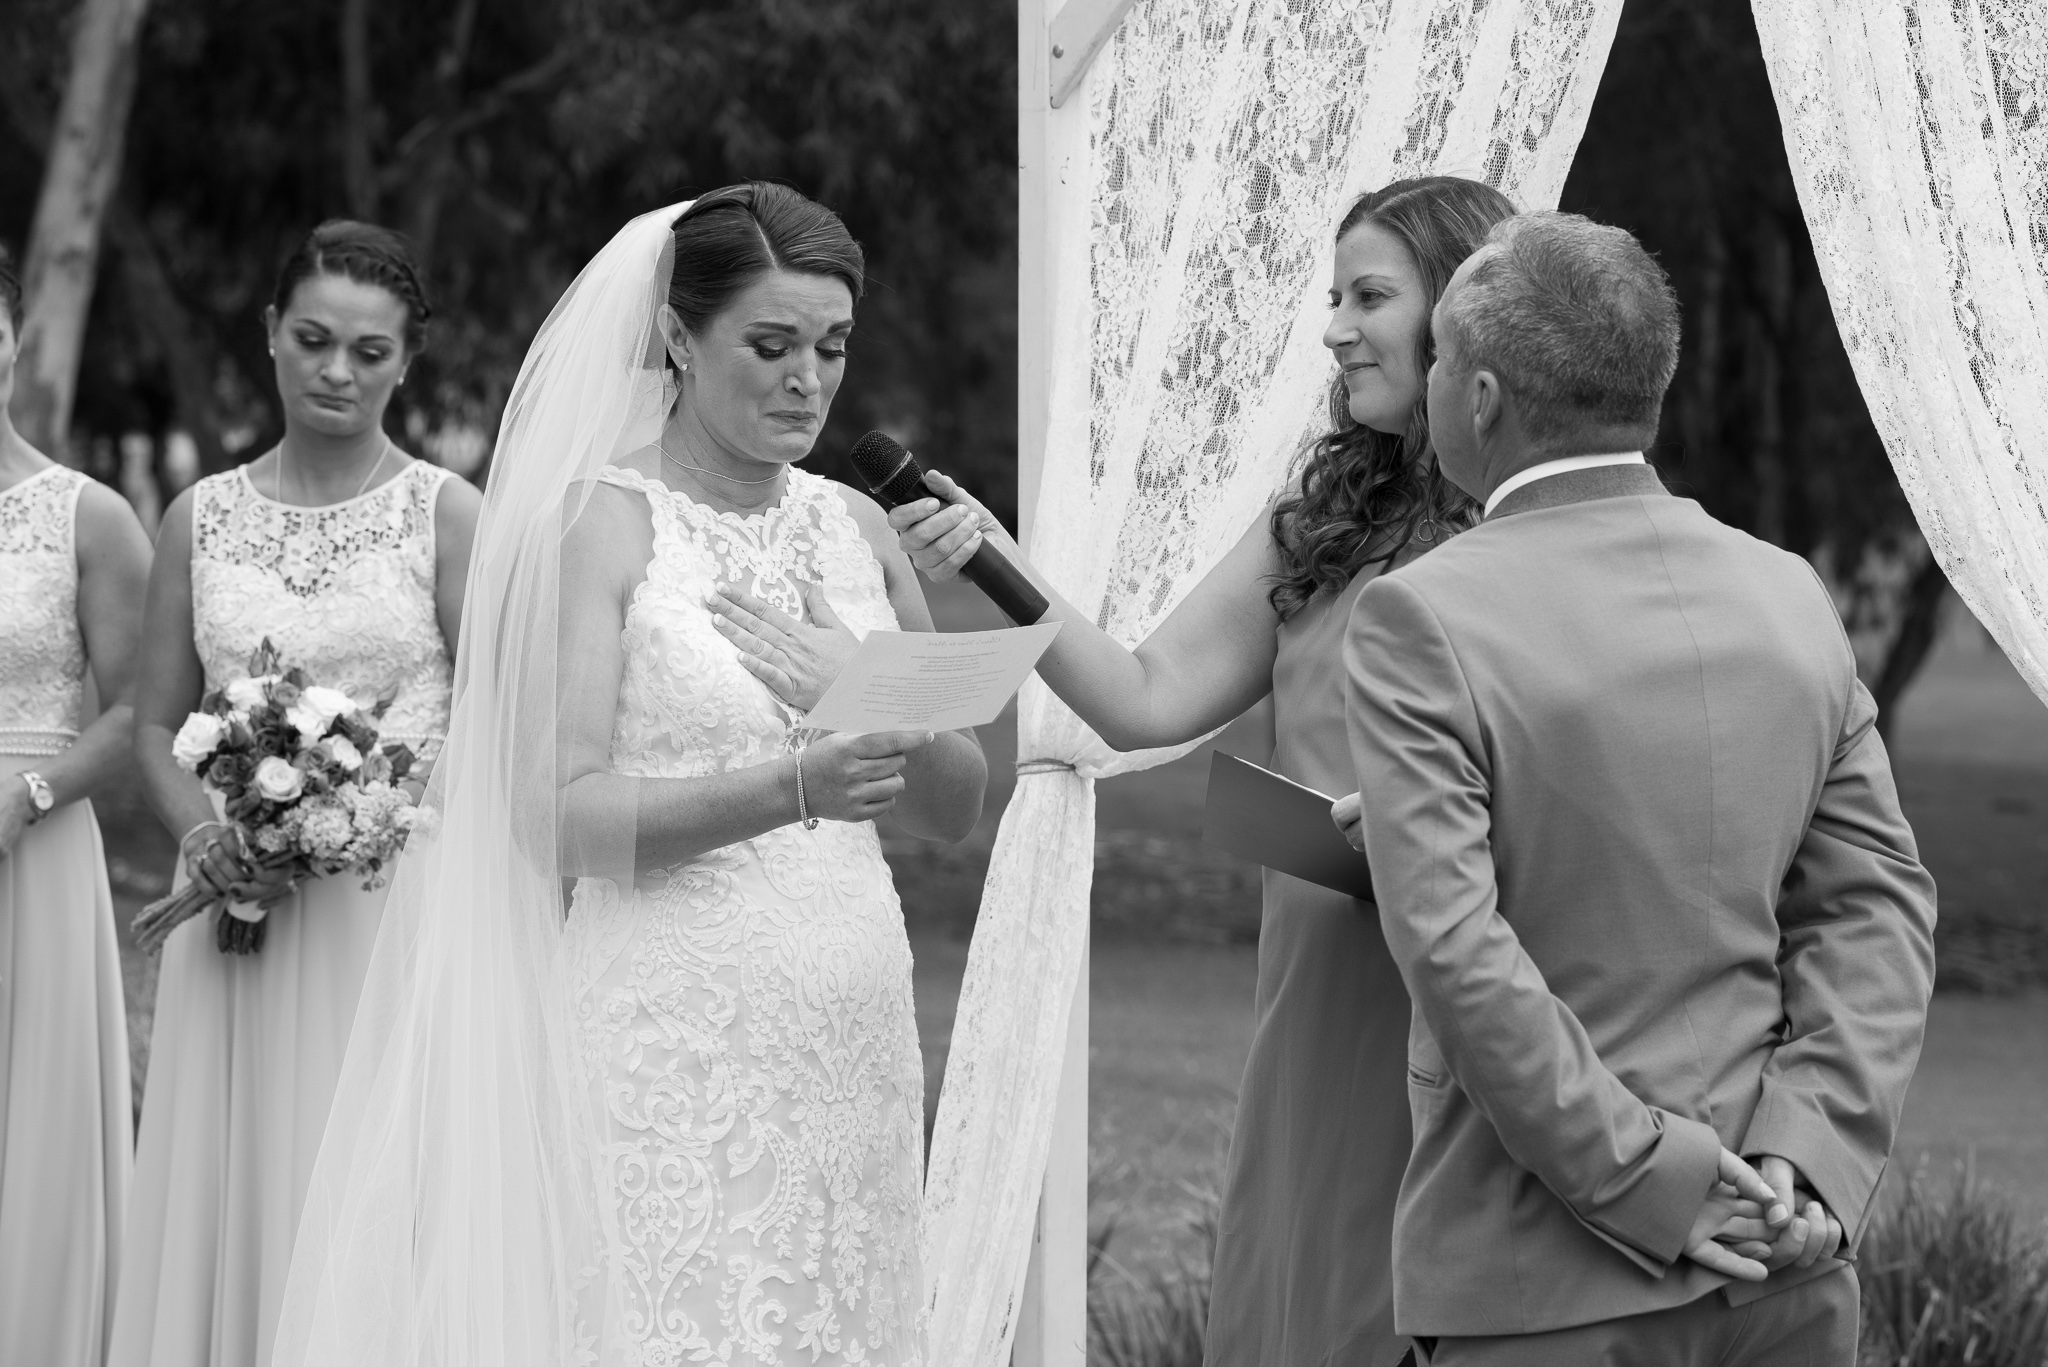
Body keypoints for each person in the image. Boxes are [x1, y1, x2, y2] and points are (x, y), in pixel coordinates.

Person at [273, 185, 986, 1367]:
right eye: (770, 345)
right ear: (676, 338)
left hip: (853, 1024)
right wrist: (792, 784)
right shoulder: (604, 524)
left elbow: (957, 807)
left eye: (830, 346)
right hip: (672, 1035)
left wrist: (866, 686)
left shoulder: (859, 531)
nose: (807, 378)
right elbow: (555, 820)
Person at [835, 176, 1512, 1367]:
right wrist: (993, 555)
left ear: (1462, 313)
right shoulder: (1320, 518)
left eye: (1369, 296)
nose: (1334, 327)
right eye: (1331, 297)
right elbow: (1142, 697)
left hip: (1470, 985)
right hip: (1318, 981)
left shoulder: (1523, 533)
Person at [1343, 210, 1937, 1365]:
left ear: (1477, 399)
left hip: (1545, 1285)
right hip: (1783, 1271)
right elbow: (1875, 907)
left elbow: (1460, 953)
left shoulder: (1424, 614)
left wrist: (1654, 1180)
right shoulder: (1785, 593)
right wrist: (1801, 1152)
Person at [111, 220, 481, 1367]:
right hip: (233, 910)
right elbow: (151, 725)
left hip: (392, 909)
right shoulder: (198, 517)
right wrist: (209, 835)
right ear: (270, 334)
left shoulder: (446, 513)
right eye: (314, 339)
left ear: (406, 362)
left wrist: (362, 811)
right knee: (241, 1177)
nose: (337, 370)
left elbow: (495, 716)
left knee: (370, 1175)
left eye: (370, 352)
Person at [0, 241, 153, 1367]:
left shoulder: (88, 517)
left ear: (15, 341)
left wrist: (31, 792)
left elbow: (142, 705)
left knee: (31, 1133)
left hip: (32, 845)